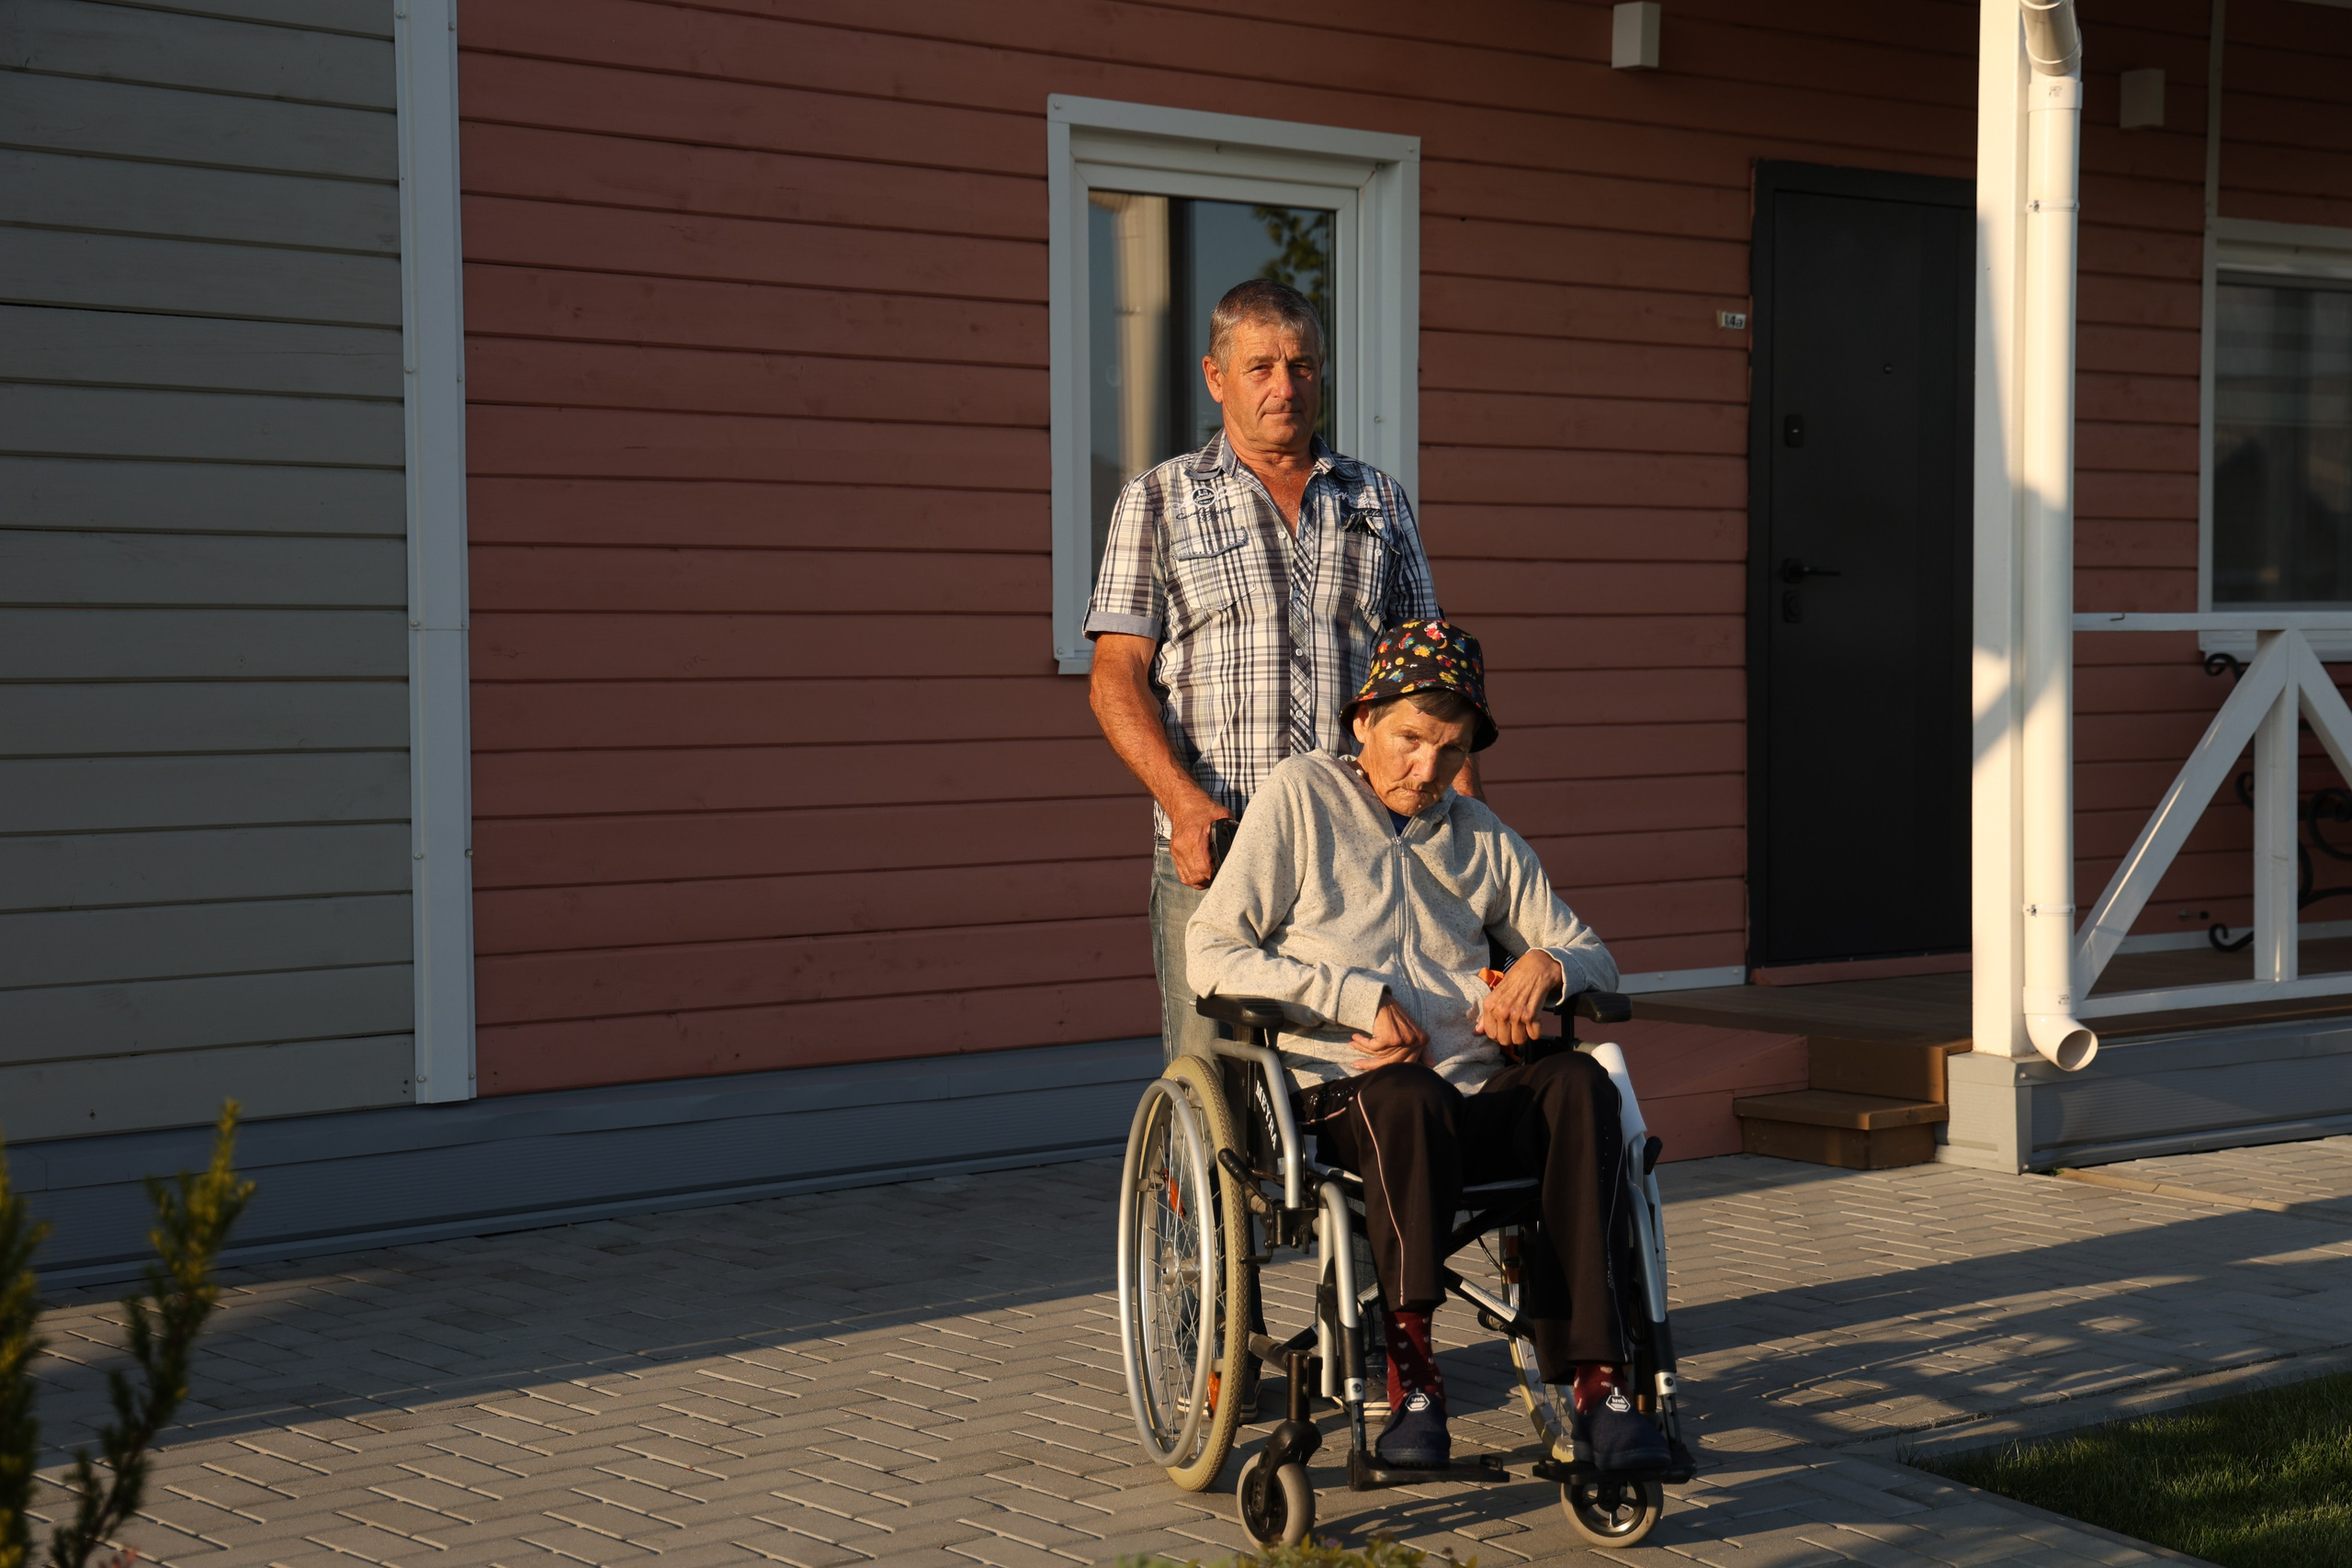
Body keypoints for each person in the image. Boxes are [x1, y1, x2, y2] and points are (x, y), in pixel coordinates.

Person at [1187, 620, 1670, 1475]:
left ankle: (1601, 1381)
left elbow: (1592, 950)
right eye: (1410, 739)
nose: (1427, 770)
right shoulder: (1301, 797)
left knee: (1579, 1084)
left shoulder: (1478, 832)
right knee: (1407, 1097)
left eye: (1451, 751)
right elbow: (1212, 952)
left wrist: (1546, 966)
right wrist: (1355, 997)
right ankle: (1411, 1373)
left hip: (1469, 1098)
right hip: (1346, 1097)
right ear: (1362, 721)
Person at [1084, 278, 1471, 1066]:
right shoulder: (1157, 500)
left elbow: (1432, 693)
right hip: (1219, 847)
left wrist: (1464, 832)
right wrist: (1183, 806)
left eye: (1302, 366)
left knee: (1362, 1073)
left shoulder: (1378, 502)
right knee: (1215, 1078)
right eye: (1260, 367)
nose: (1284, 387)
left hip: (1359, 855)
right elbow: (1114, 677)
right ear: (1215, 376)